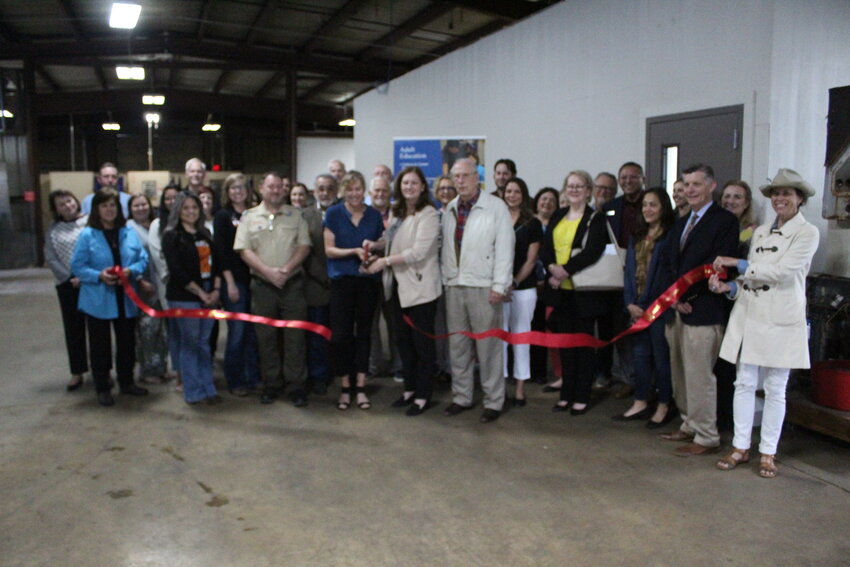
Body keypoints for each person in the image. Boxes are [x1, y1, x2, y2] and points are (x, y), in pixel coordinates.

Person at [709, 168, 819, 478]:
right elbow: (752, 279)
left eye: (787, 193)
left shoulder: (807, 233)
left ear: (800, 199)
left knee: (775, 387)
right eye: (776, 193)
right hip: (750, 315)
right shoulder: (761, 233)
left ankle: (768, 451)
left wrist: (739, 263)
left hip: (781, 317)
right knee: (743, 382)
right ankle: (741, 446)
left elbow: (782, 271)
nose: (780, 198)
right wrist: (729, 287)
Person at [657, 163, 738, 457]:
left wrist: (688, 296)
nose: (690, 190)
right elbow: (668, 263)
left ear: (711, 186)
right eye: (686, 184)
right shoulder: (681, 223)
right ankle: (689, 424)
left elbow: (718, 267)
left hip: (704, 311)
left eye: (696, 184)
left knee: (699, 375)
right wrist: (673, 299)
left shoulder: (724, 222)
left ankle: (706, 436)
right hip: (677, 310)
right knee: (679, 372)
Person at [441, 158, 514, 424]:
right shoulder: (450, 208)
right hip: (455, 285)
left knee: (488, 348)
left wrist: (499, 285)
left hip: (484, 287)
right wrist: (446, 279)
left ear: (477, 178)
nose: (460, 181)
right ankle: (461, 397)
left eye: (465, 176)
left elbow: (505, 250)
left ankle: (494, 401)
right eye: (456, 176)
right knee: (458, 346)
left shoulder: (495, 207)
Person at [364, 166, 441, 416]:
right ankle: (409, 390)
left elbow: (418, 252)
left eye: (414, 183)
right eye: (405, 183)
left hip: (420, 289)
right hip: (396, 287)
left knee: (422, 346)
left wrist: (384, 262)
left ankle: (423, 395)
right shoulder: (397, 212)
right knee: (403, 343)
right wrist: (374, 245)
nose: (409, 187)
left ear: (422, 187)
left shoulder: (429, 214)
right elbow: (391, 240)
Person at [235, 172, 312, 406]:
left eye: (280, 186)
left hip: (293, 284)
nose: (276, 190)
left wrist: (286, 270)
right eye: (271, 186)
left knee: (295, 336)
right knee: (265, 337)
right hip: (262, 286)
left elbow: (304, 246)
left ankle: (296, 385)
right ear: (261, 188)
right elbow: (243, 249)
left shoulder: (296, 215)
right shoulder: (249, 217)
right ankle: (271, 384)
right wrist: (268, 272)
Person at [70, 190, 149, 407]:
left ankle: (126, 381)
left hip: (126, 299)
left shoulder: (128, 231)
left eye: (113, 205)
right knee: (100, 346)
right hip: (98, 301)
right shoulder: (87, 235)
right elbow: (77, 266)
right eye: (104, 206)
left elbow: (143, 259)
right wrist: (98, 276)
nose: (109, 209)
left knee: (127, 343)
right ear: (96, 209)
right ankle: (103, 386)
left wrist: (131, 271)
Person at [541, 170, 611, 416]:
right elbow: (545, 246)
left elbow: (593, 251)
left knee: (582, 347)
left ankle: (581, 395)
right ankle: (565, 394)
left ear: (588, 191)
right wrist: (552, 269)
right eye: (570, 186)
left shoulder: (596, 219)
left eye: (579, 186)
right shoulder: (558, 215)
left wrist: (565, 271)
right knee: (565, 346)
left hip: (583, 292)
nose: (573, 190)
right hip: (559, 291)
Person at [323, 170, 384, 411]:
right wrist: (354, 251)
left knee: (365, 333)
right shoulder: (334, 213)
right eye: (349, 189)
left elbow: (381, 244)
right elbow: (329, 250)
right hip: (341, 281)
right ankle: (345, 385)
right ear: (343, 191)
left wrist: (373, 248)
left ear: (364, 190)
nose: (354, 193)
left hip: (368, 280)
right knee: (341, 336)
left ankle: (361, 386)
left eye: (358, 189)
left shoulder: (374, 215)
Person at [616, 187, 676, 427]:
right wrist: (629, 302)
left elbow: (668, 276)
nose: (648, 209)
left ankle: (663, 404)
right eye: (645, 205)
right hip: (637, 307)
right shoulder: (637, 235)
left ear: (663, 208)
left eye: (653, 204)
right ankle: (640, 400)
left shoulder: (670, 235)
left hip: (659, 309)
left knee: (661, 358)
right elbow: (629, 272)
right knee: (640, 356)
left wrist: (652, 305)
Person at [162, 193, 222, 406]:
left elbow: (217, 264)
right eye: (186, 208)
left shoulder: (205, 234)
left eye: (194, 208)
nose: (191, 212)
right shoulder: (172, 236)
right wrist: (200, 293)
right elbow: (177, 270)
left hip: (209, 293)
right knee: (190, 343)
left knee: (204, 344)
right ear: (178, 210)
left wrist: (215, 290)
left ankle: (209, 387)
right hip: (185, 296)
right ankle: (194, 391)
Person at [213, 174, 260, 396]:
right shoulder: (222, 216)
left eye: (241, 187)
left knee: (253, 332)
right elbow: (221, 253)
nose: (237, 191)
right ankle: (235, 379)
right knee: (237, 332)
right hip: (235, 281)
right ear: (227, 192)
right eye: (232, 188)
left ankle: (253, 377)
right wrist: (229, 283)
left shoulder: (254, 214)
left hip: (256, 279)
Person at [603, 162, 646, 399]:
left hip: (645, 274)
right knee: (621, 330)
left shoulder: (652, 204)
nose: (628, 181)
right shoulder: (611, 207)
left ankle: (648, 383)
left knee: (644, 331)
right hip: (617, 276)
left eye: (633, 177)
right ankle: (628, 379)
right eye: (623, 177)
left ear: (642, 178)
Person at [501, 178, 542, 406]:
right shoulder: (496, 219)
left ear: (523, 195)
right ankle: (500, 386)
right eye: (508, 191)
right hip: (500, 289)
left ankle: (519, 388)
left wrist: (514, 283)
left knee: (521, 338)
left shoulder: (532, 223)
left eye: (517, 191)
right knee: (500, 340)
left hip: (523, 289)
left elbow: (531, 260)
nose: (512, 195)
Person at [45, 190, 89, 391]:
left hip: (92, 282)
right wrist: (70, 277)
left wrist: (85, 275)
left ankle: (101, 371)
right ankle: (77, 372)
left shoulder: (89, 222)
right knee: (74, 330)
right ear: (56, 210)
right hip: (67, 285)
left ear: (76, 201)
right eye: (61, 204)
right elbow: (51, 258)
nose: (67, 206)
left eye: (69, 201)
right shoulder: (53, 229)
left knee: (98, 330)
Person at [126, 194, 169, 384]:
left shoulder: (155, 225)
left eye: (144, 204)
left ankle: (161, 367)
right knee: (147, 331)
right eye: (136, 205)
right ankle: (147, 370)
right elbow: (128, 257)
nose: (141, 208)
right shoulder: (128, 228)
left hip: (161, 284)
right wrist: (141, 279)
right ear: (130, 209)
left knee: (161, 330)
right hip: (143, 286)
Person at [147, 184, 182, 387]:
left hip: (190, 287)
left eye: (175, 198)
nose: (172, 202)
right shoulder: (156, 225)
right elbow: (158, 254)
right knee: (174, 330)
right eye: (168, 199)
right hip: (169, 283)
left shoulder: (188, 220)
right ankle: (178, 373)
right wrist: (175, 275)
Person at [367, 174, 400, 379]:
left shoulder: (399, 214)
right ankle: (373, 366)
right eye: (376, 191)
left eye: (384, 191)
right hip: (369, 277)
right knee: (370, 325)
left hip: (395, 276)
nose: (380, 194)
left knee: (396, 323)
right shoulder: (365, 214)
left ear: (390, 194)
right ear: (370, 194)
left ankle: (398, 366)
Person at [530, 187, 563, 390]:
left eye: (552, 200)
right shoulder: (529, 223)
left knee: (550, 329)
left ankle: (551, 373)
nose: (547, 203)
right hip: (529, 283)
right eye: (544, 199)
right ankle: (534, 371)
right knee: (532, 329)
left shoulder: (560, 224)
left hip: (553, 285)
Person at [721, 179, 759, 257]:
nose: (730, 201)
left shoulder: (751, 230)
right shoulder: (712, 224)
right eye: (727, 196)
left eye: (737, 197)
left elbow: (732, 244)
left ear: (746, 203)